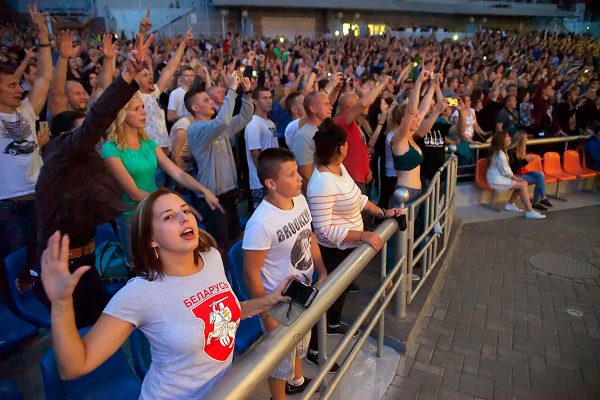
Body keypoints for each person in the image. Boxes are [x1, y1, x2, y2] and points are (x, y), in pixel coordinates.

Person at [39, 189, 290, 399]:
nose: (184, 218)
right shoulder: (139, 293)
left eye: (185, 210)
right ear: (151, 239)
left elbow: (229, 312)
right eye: (169, 217)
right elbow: (74, 367)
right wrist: (61, 303)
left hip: (224, 391)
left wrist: (267, 301)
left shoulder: (211, 258)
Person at [30, 35, 154, 328]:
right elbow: (97, 118)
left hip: (86, 260)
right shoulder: (63, 153)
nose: (93, 139)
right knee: (87, 335)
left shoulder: (84, 164)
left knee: (102, 323)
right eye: (83, 133)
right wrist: (126, 76)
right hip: (62, 268)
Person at [306, 118, 404, 365]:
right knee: (326, 299)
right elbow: (324, 229)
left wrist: (382, 212)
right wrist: (363, 235)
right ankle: (315, 351)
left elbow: (358, 199)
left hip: (348, 249)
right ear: (341, 148)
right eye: (347, 143)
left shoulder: (339, 169)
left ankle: (334, 323)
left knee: (339, 295)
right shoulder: (321, 183)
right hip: (333, 253)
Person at [243, 148, 327, 399]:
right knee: (279, 360)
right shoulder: (260, 223)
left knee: (301, 340)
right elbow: (250, 273)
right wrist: (266, 313)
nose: (300, 176)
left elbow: (309, 236)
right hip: (277, 302)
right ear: (271, 183)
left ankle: (297, 380)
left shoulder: (299, 199)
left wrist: (322, 270)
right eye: (291, 174)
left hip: (303, 288)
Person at [101, 89, 223, 261]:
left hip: (159, 212)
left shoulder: (147, 143)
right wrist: (174, 202)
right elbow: (134, 193)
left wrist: (203, 190)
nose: (143, 112)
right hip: (133, 217)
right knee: (142, 266)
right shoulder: (110, 149)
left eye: (143, 107)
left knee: (164, 261)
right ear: (121, 115)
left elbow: (177, 172)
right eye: (136, 109)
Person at [0, 3, 52, 268]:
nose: (19, 89)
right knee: (14, 268)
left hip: (38, 198)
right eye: (11, 85)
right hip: (8, 207)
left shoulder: (28, 109)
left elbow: (44, 77)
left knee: (38, 266)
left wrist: (43, 36)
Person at [185, 72, 254, 254]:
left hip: (229, 193)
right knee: (220, 246)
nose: (211, 103)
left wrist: (246, 94)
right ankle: (223, 279)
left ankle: (234, 277)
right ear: (195, 107)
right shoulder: (195, 130)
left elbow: (245, 117)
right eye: (206, 100)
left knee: (235, 238)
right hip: (212, 198)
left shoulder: (217, 126)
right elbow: (222, 122)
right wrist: (231, 90)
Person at [334, 76, 392, 193]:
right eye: (357, 102)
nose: (365, 105)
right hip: (352, 179)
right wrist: (382, 84)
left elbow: (361, 147)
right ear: (350, 106)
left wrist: (367, 169)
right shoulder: (343, 120)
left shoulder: (354, 123)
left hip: (360, 177)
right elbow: (365, 103)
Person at [486, 131, 545, 219]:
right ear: (502, 140)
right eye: (508, 137)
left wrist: (517, 179)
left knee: (523, 183)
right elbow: (506, 171)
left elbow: (506, 171)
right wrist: (516, 179)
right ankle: (530, 211)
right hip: (496, 180)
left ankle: (510, 205)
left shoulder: (502, 151)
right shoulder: (500, 153)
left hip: (499, 178)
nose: (510, 138)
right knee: (522, 184)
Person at [286, 91, 332, 191]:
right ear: (313, 108)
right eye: (326, 104)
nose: (331, 107)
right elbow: (305, 175)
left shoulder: (324, 129)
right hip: (319, 194)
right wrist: (318, 195)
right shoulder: (304, 135)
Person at [245, 86, 279, 210]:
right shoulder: (253, 124)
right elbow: (255, 153)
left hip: (273, 177)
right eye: (264, 98)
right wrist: (264, 176)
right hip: (261, 182)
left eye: (270, 97)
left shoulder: (270, 122)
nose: (269, 101)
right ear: (255, 101)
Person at [508, 132, 553, 211]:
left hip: (522, 172)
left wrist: (525, 160)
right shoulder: (511, 150)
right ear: (521, 140)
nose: (527, 139)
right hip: (514, 175)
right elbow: (513, 168)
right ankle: (537, 202)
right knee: (540, 180)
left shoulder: (521, 149)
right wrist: (526, 160)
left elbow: (520, 165)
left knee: (540, 175)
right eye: (526, 138)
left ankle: (543, 198)